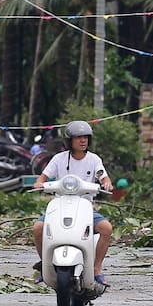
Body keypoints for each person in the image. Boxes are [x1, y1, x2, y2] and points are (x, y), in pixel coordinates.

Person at [33, 119, 115, 285]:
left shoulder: (94, 159)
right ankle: (45, 266)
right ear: (70, 140)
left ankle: (96, 268)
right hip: (60, 207)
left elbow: (103, 177)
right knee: (38, 228)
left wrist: (106, 183)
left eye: (85, 137)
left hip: (84, 209)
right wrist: (40, 184)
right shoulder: (58, 159)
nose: (82, 140)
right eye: (78, 137)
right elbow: (42, 178)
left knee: (106, 229)